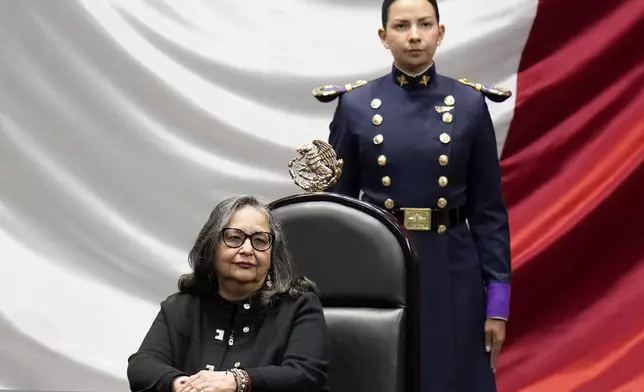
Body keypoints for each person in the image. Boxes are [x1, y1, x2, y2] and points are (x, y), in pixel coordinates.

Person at [311, 0, 512, 391]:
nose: (415, 35)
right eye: (402, 26)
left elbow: (489, 213)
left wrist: (498, 305)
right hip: (381, 264)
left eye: (425, 24)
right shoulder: (354, 105)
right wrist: (332, 297)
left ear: (441, 32)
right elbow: (338, 213)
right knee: (383, 374)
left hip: (452, 266)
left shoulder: (470, 105)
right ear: (384, 37)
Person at [126, 196, 330, 392]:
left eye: (259, 241)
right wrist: (183, 386)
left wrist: (237, 381)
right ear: (211, 247)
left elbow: (306, 374)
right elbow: (142, 365)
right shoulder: (181, 307)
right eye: (234, 238)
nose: (247, 249)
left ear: (272, 254)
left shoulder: (299, 307)